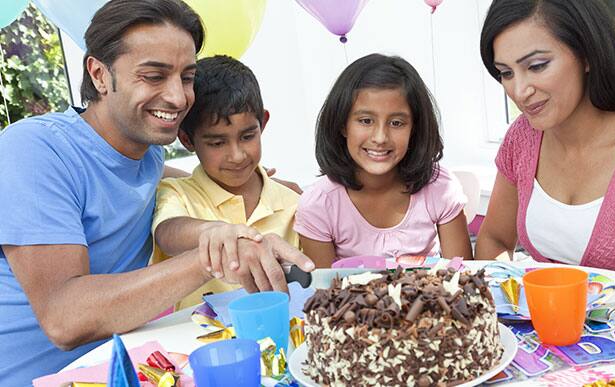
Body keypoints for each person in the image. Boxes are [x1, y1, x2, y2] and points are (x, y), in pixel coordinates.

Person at [0, 1, 312, 385]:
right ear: (99, 74)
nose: (179, 98)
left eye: (186, 77)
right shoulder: (32, 151)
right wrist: (214, 253)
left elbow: (156, 175)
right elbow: (65, 319)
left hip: (133, 368)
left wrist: (258, 183)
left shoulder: (147, 154)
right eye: (153, 76)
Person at [475, 0, 615, 278]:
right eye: (506, 73)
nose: (519, 91)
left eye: (537, 66)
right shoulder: (524, 135)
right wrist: (510, 295)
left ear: (587, 53)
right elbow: (495, 240)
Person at [294, 53, 473, 268]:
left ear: (414, 129)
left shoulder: (440, 187)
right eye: (366, 121)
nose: (380, 137)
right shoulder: (319, 204)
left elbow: (463, 277)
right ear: (342, 124)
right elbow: (324, 291)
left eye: (397, 123)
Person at [152, 55, 300, 310]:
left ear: (262, 123)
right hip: (204, 346)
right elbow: (167, 232)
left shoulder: (293, 202)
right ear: (187, 140)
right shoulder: (177, 192)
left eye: (247, 136)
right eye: (217, 143)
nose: (237, 155)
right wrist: (217, 234)